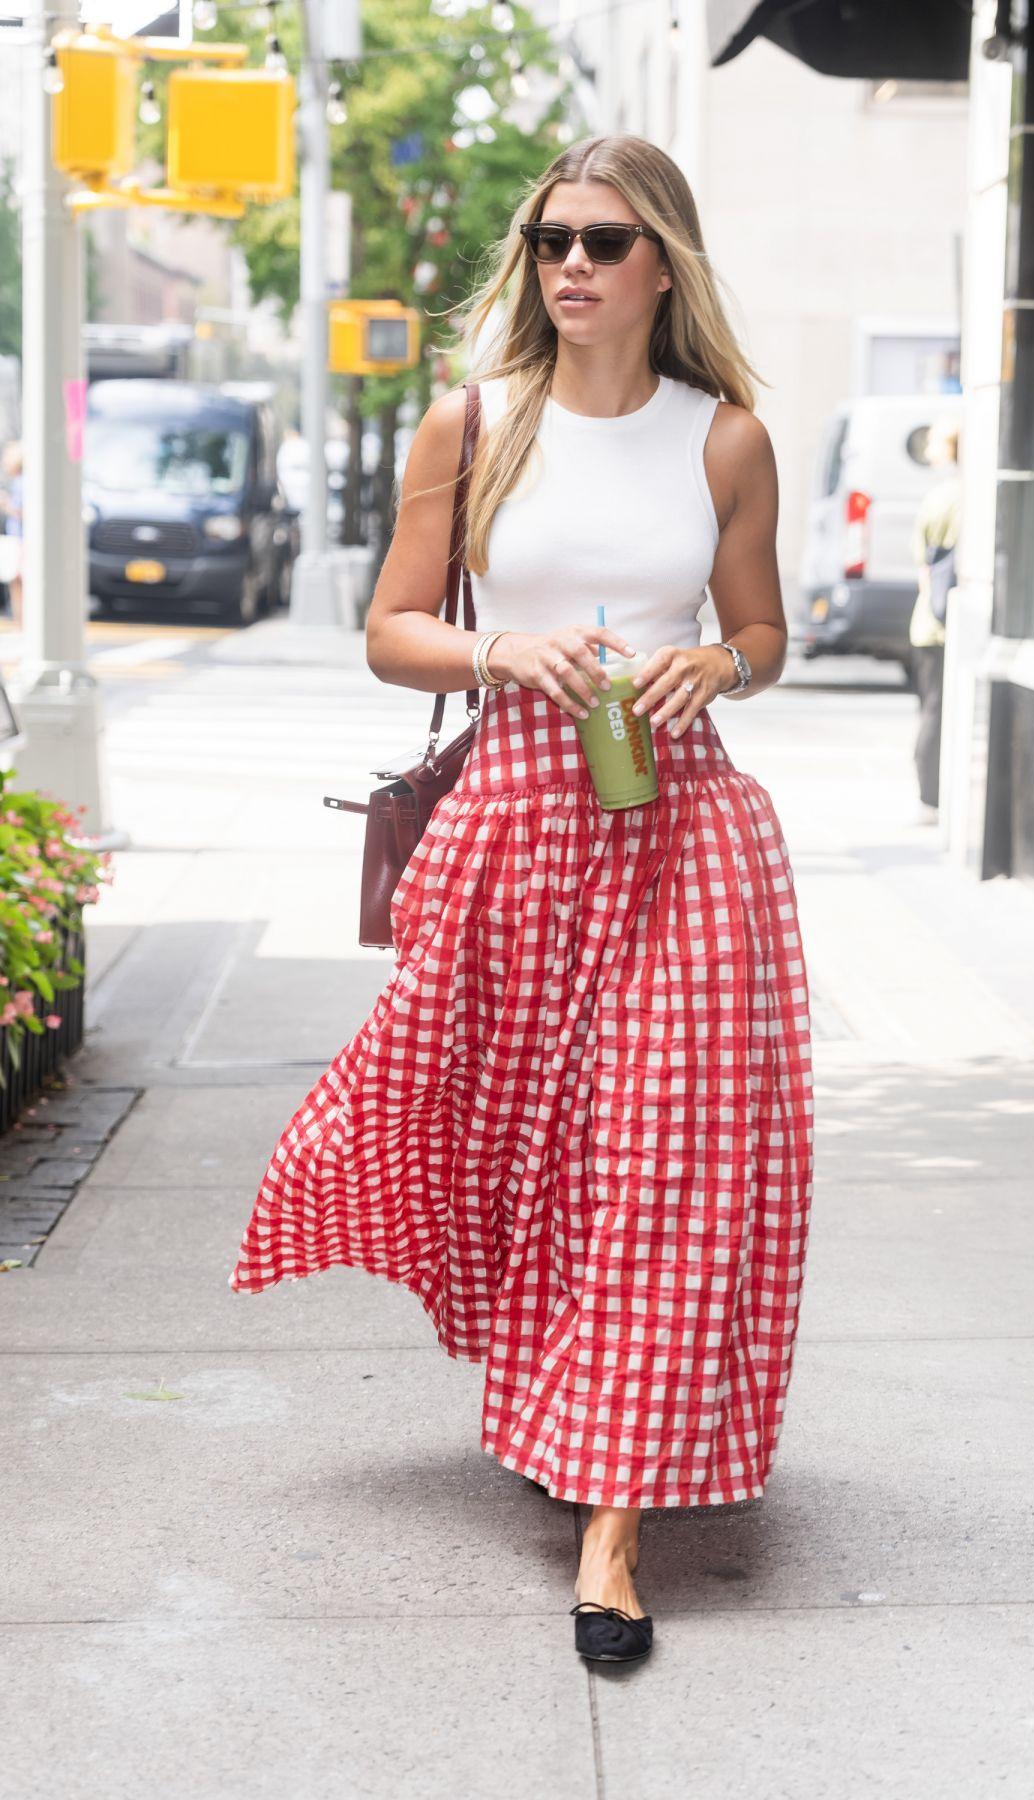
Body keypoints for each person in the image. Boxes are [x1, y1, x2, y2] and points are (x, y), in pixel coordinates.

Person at [228, 133, 815, 1668]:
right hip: (517, 830)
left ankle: (612, 1533)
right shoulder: (475, 422)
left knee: (664, 1156)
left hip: (683, 834)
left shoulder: (727, 438)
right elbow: (392, 628)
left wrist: (721, 662)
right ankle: (565, 1388)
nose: (571, 265)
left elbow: (764, 626)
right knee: (524, 1147)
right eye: (552, 238)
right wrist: (501, 653)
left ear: (662, 264)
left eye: (605, 242)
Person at [908, 414, 961, 823]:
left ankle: (930, 798)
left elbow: (922, 565)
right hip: (949, 626)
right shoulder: (968, 497)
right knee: (941, 712)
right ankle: (934, 798)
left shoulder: (938, 498)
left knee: (931, 709)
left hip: (927, 622)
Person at [0, 441, 23, 628]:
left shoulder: (23, 483)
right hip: (18, 539)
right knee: (16, 582)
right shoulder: (19, 482)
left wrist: (7, 504)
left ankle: (21, 621)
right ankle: (20, 621)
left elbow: (24, 512)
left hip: (23, 540)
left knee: (19, 582)